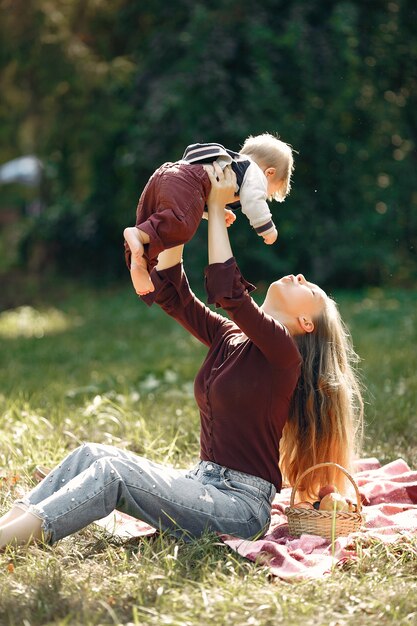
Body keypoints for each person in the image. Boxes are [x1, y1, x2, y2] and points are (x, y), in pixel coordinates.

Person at [0, 165, 363, 549]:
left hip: (240, 507)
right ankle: (8, 527)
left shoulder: (284, 356)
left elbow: (229, 293)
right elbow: (174, 296)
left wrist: (218, 213)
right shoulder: (232, 338)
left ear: (307, 322)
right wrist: (187, 216)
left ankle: (10, 541)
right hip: (203, 484)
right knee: (90, 453)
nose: (302, 277)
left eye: (313, 290)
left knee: (113, 473)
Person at [123, 133, 294, 296]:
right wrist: (267, 229)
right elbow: (254, 200)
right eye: (269, 194)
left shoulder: (231, 164)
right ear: (269, 173)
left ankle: (139, 264)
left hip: (168, 174)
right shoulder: (255, 172)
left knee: (156, 223)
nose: (265, 196)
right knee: (182, 228)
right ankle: (136, 234)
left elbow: (193, 202)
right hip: (187, 180)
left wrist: (213, 212)